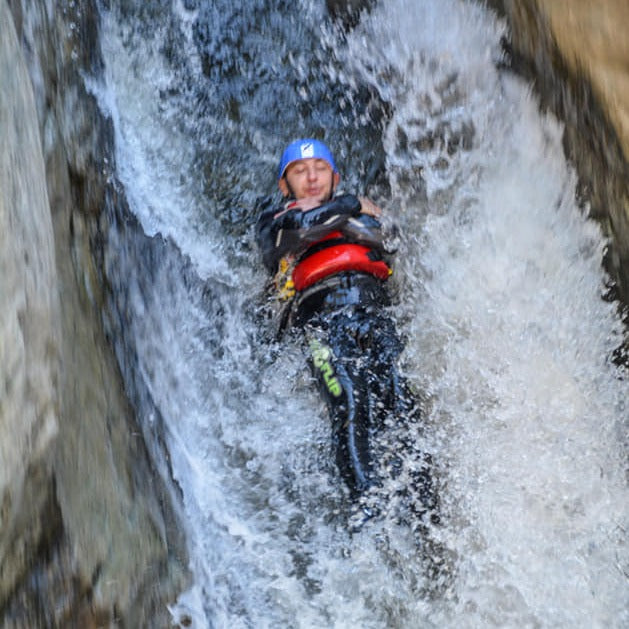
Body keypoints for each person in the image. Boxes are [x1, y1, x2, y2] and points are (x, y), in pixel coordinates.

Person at [256, 139, 435, 518]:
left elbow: (389, 237)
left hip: (372, 311)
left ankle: (426, 513)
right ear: (284, 185)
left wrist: (340, 217)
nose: (312, 177)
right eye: (300, 171)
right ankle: (369, 512)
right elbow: (300, 231)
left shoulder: (361, 212)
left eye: (320, 168)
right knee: (350, 403)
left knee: (402, 404)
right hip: (320, 320)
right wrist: (349, 209)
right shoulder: (274, 220)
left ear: (334, 176)